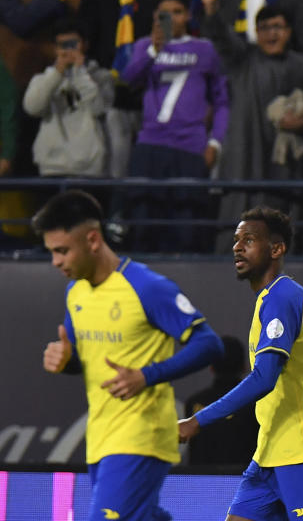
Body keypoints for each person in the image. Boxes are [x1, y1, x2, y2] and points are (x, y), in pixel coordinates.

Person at [37, 189, 224, 521]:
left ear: (93, 240)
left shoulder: (146, 287)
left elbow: (209, 344)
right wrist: (67, 362)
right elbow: (82, 358)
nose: (56, 261)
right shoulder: (74, 292)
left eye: (62, 251)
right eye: (51, 252)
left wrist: (146, 375)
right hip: (101, 436)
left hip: (142, 433)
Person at [178, 206, 303, 519]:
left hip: (300, 450)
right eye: (236, 239)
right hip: (270, 452)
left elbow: (264, 377)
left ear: (276, 248)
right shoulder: (287, 297)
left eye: (249, 239)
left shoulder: (280, 298)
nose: (237, 246)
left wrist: (197, 421)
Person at [198, 0, 303, 254]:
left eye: (278, 27)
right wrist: (211, 7)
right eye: (265, 28)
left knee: (281, 247)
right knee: (236, 247)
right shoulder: (242, 60)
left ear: (290, 32)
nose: (272, 33)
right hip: (244, 168)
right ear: (256, 33)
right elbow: (219, 35)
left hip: (286, 174)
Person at [122, 0, 229, 252]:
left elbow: (222, 101)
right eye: (164, 13)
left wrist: (215, 143)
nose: (170, 18)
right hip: (150, 146)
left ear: (188, 16)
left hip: (190, 148)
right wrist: (153, 52)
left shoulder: (205, 49)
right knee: (143, 227)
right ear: (154, 17)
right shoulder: (144, 46)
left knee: (187, 230)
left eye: (177, 12)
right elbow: (129, 81)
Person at [22, 18, 114, 178]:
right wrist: (57, 73)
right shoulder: (42, 79)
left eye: (73, 44)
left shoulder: (102, 78)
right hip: (51, 167)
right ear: (55, 49)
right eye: (62, 45)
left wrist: (79, 73)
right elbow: (32, 108)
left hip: (90, 169)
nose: (67, 50)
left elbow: (98, 109)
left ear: (85, 45)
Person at [183, 335, 259, 466]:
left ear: (211, 367)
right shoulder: (257, 404)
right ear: (245, 366)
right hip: (244, 482)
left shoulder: (194, 403)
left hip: (199, 484)